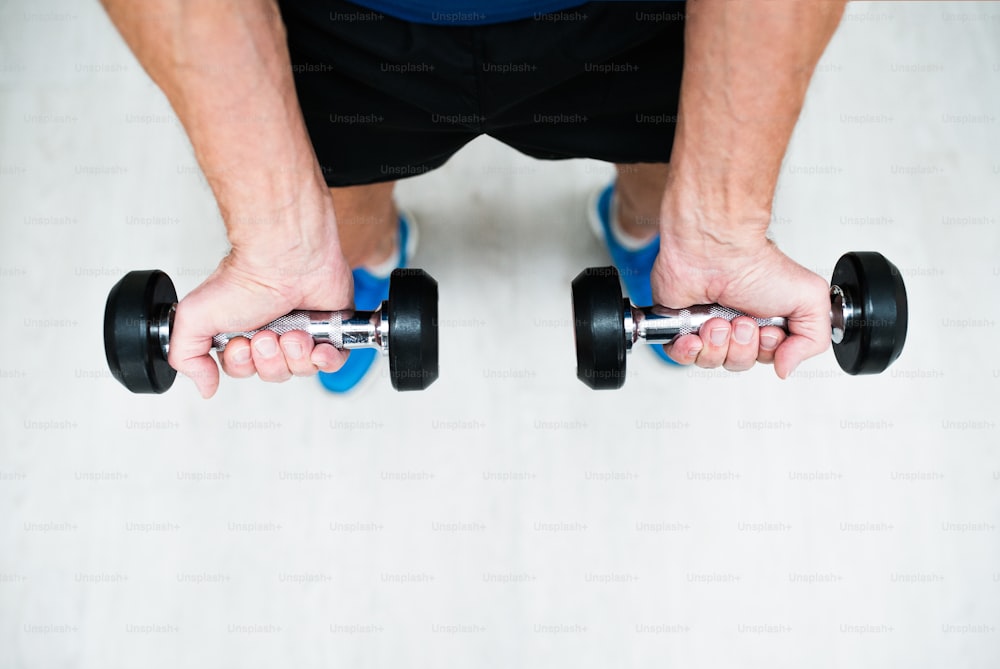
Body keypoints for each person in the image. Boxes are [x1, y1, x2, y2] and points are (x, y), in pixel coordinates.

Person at [100, 0, 845, 398]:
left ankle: (663, 248)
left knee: (663, 181)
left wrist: (722, 215)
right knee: (342, 218)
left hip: (622, 12)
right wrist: (275, 234)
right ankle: (345, 279)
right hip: (347, 22)